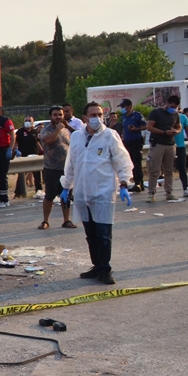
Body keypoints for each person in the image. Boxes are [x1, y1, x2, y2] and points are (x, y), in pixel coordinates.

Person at [60, 101, 131, 284]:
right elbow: (71, 164)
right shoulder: (76, 137)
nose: (97, 118)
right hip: (83, 192)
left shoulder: (110, 136)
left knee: (103, 233)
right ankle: (96, 266)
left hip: (103, 192)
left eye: (100, 114)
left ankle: (105, 269)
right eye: (93, 115)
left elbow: (122, 161)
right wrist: (66, 186)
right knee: (90, 233)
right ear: (85, 118)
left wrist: (124, 183)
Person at [38, 106, 75, 230]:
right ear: (50, 116)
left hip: (65, 168)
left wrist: (65, 127)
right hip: (51, 168)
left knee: (66, 195)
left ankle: (66, 220)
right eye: (55, 115)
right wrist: (58, 130)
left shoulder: (65, 129)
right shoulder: (46, 130)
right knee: (50, 195)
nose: (58, 117)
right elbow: (48, 141)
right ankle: (45, 220)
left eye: (60, 114)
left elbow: (76, 137)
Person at [145, 94, 181, 203]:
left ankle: (169, 192)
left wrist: (176, 131)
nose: (173, 109)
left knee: (169, 170)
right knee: (154, 170)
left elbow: (178, 126)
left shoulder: (175, 114)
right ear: (167, 103)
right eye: (172, 106)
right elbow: (149, 127)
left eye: (175, 107)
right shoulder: (156, 112)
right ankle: (151, 193)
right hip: (158, 144)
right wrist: (164, 132)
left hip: (170, 144)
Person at [118, 98, 146, 192]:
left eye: (123, 106)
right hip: (127, 141)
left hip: (136, 141)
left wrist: (136, 129)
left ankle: (139, 182)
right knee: (130, 163)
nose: (122, 108)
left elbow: (146, 125)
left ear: (129, 106)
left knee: (137, 162)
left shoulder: (137, 115)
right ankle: (134, 181)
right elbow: (124, 128)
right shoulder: (124, 117)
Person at [14, 116, 42, 198]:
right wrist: (15, 150)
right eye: (26, 120)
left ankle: (38, 191)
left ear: (33, 122)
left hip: (34, 155)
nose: (27, 122)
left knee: (37, 175)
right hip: (23, 156)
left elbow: (37, 143)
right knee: (21, 176)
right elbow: (15, 142)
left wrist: (42, 151)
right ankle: (18, 193)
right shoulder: (20, 131)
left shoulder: (34, 132)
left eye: (29, 120)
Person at [179, 108, 188, 197]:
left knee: (182, 167)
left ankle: (186, 187)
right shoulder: (164, 117)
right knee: (167, 169)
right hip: (168, 145)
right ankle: (168, 190)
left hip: (181, 145)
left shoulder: (182, 118)